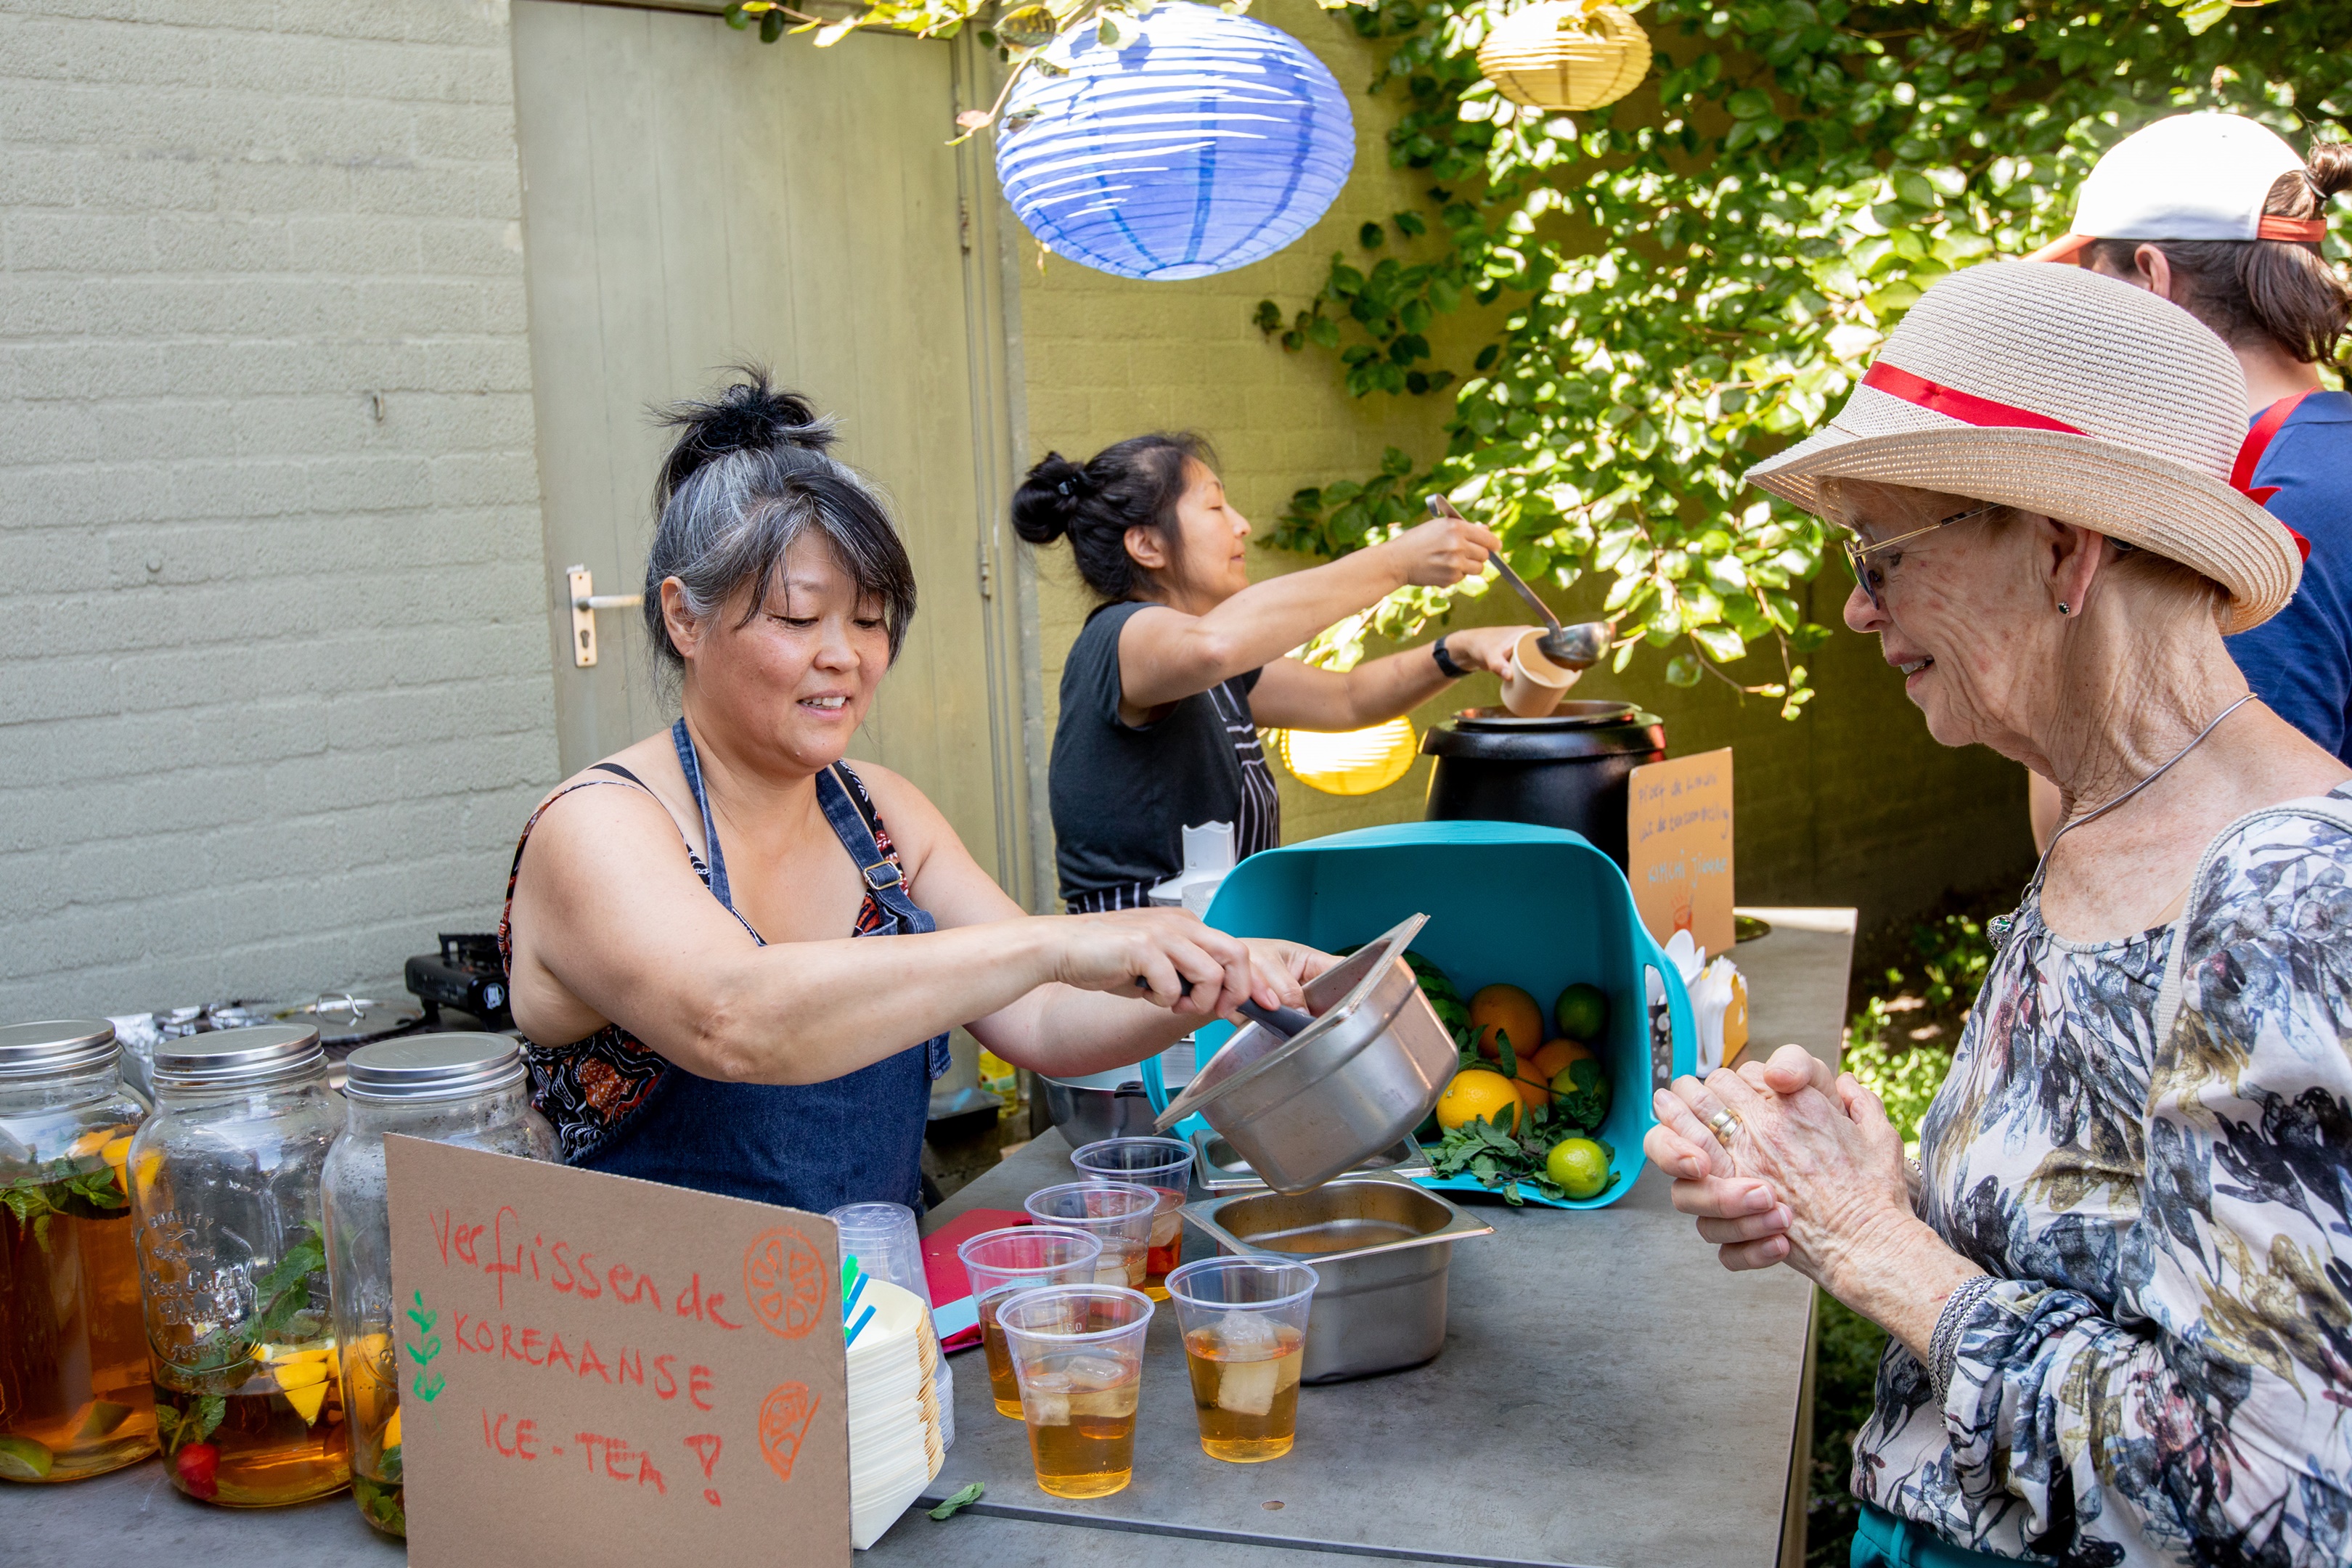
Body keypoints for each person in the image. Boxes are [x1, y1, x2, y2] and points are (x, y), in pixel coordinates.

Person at [1643, 264, 2352, 1564]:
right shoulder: (2107, 814)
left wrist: (1872, 1250)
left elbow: (2272, 1497)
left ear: (2064, 549)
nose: (1858, 608)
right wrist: (1880, 1188)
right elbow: (2119, 1249)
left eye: (1881, 556)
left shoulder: (2287, 895)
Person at [500, 372, 1325, 1213]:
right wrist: (1052, 942)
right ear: (683, 617)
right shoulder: (599, 825)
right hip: (664, 1327)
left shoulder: (880, 811)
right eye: (796, 619)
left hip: (882, 1315)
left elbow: (1040, 1017)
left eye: (868, 620)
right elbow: (733, 1018)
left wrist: (1218, 974)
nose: (846, 657)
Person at [1012, 434, 1540, 911]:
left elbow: (1349, 700)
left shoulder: (1206, 658)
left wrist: (1459, 650)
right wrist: (1396, 563)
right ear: (1147, 545)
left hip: (1217, 947)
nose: (1241, 523)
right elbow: (1214, 645)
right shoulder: (1124, 633)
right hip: (1139, 971)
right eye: (1216, 506)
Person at [2022, 113, 2352, 846]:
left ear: (2151, 279)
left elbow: (2148, 848)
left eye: (2092, 286)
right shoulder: (2326, 456)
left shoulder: (2261, 511)